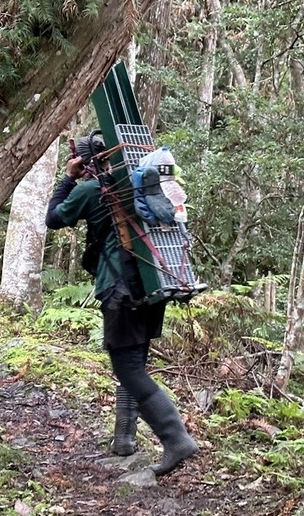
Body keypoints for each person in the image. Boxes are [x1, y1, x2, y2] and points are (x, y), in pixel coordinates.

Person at [44, 132, 199, 476]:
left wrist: (68, 178)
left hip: (120, 289)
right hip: (153, 282)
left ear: (86, 161)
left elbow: (53, 219)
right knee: (134, 364)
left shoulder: (90, 190)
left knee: (127, 368)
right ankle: (124, 440)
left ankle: (176, 438)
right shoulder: (136, 185)